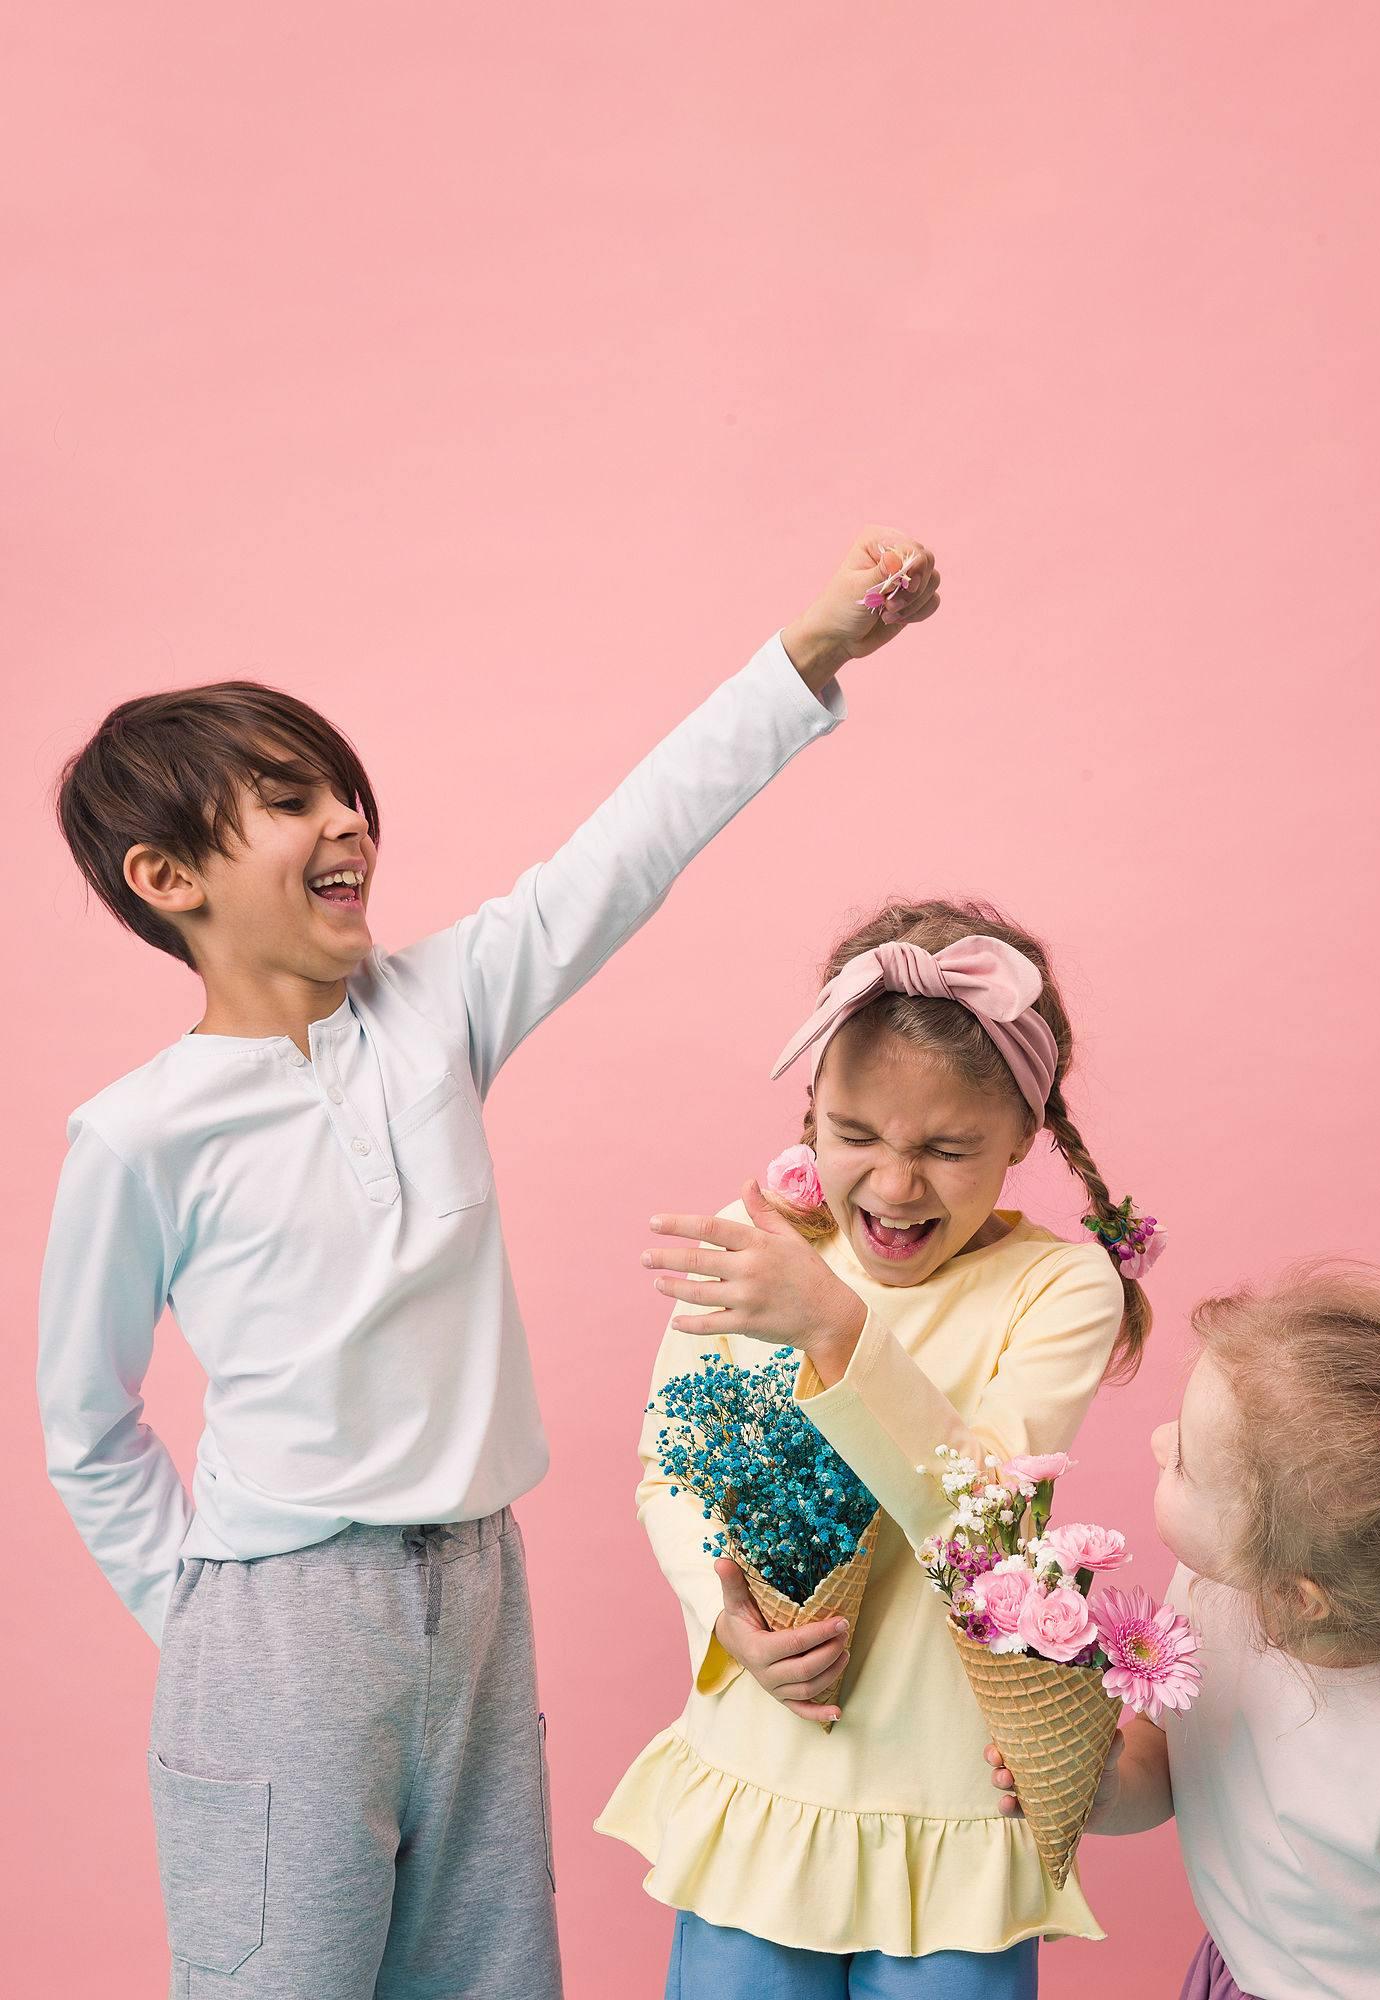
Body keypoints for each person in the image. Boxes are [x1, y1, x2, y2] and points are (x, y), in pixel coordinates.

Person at [36, 529, 939, 1997]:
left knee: (491, 1975)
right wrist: (202, 1623)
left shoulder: (433, 1013)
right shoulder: (136, 1136)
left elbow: (622, 853)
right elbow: (84, 1425)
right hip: (281, 1625)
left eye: (344, 794)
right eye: (285, 802)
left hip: (477, 1593)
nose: (345, 824)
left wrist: (813, 652)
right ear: (167, 876)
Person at [599, 901, 1155, 1998]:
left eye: (946, 1149)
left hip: (946, 1810)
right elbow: (672, 1470)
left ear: (1020, 1140)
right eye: (854, 1135)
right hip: (764, 1776)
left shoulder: (1056, 1287)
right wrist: (728, 1626)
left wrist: (836, 1327)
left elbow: (981, 1520)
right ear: (808, 1113)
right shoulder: (761, 1244)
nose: (895, 1187)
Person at [994, 1264, 1380, 2000]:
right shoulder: (1209, 1597)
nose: (1159, 1442)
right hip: (1253, 1979)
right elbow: (1172, 1760)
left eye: (1184, 1460)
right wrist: (1099, 1793)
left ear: (1297, 1593)